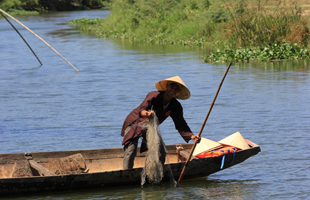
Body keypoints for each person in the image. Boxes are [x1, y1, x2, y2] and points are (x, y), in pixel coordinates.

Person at [121, 76, 201, 170]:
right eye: (172, 87)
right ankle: (127, 173)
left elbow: (181, 124)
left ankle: (153, 173)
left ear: (178, 92)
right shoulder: (154, 95)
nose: (173, 90)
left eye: (176, 89)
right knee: (131, 150)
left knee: (161, 152)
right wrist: (146, 114)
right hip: (135, 123)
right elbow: (142, 109)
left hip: (150, 127)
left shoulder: (176, 106)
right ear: (167, 86)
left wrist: (192, 136)